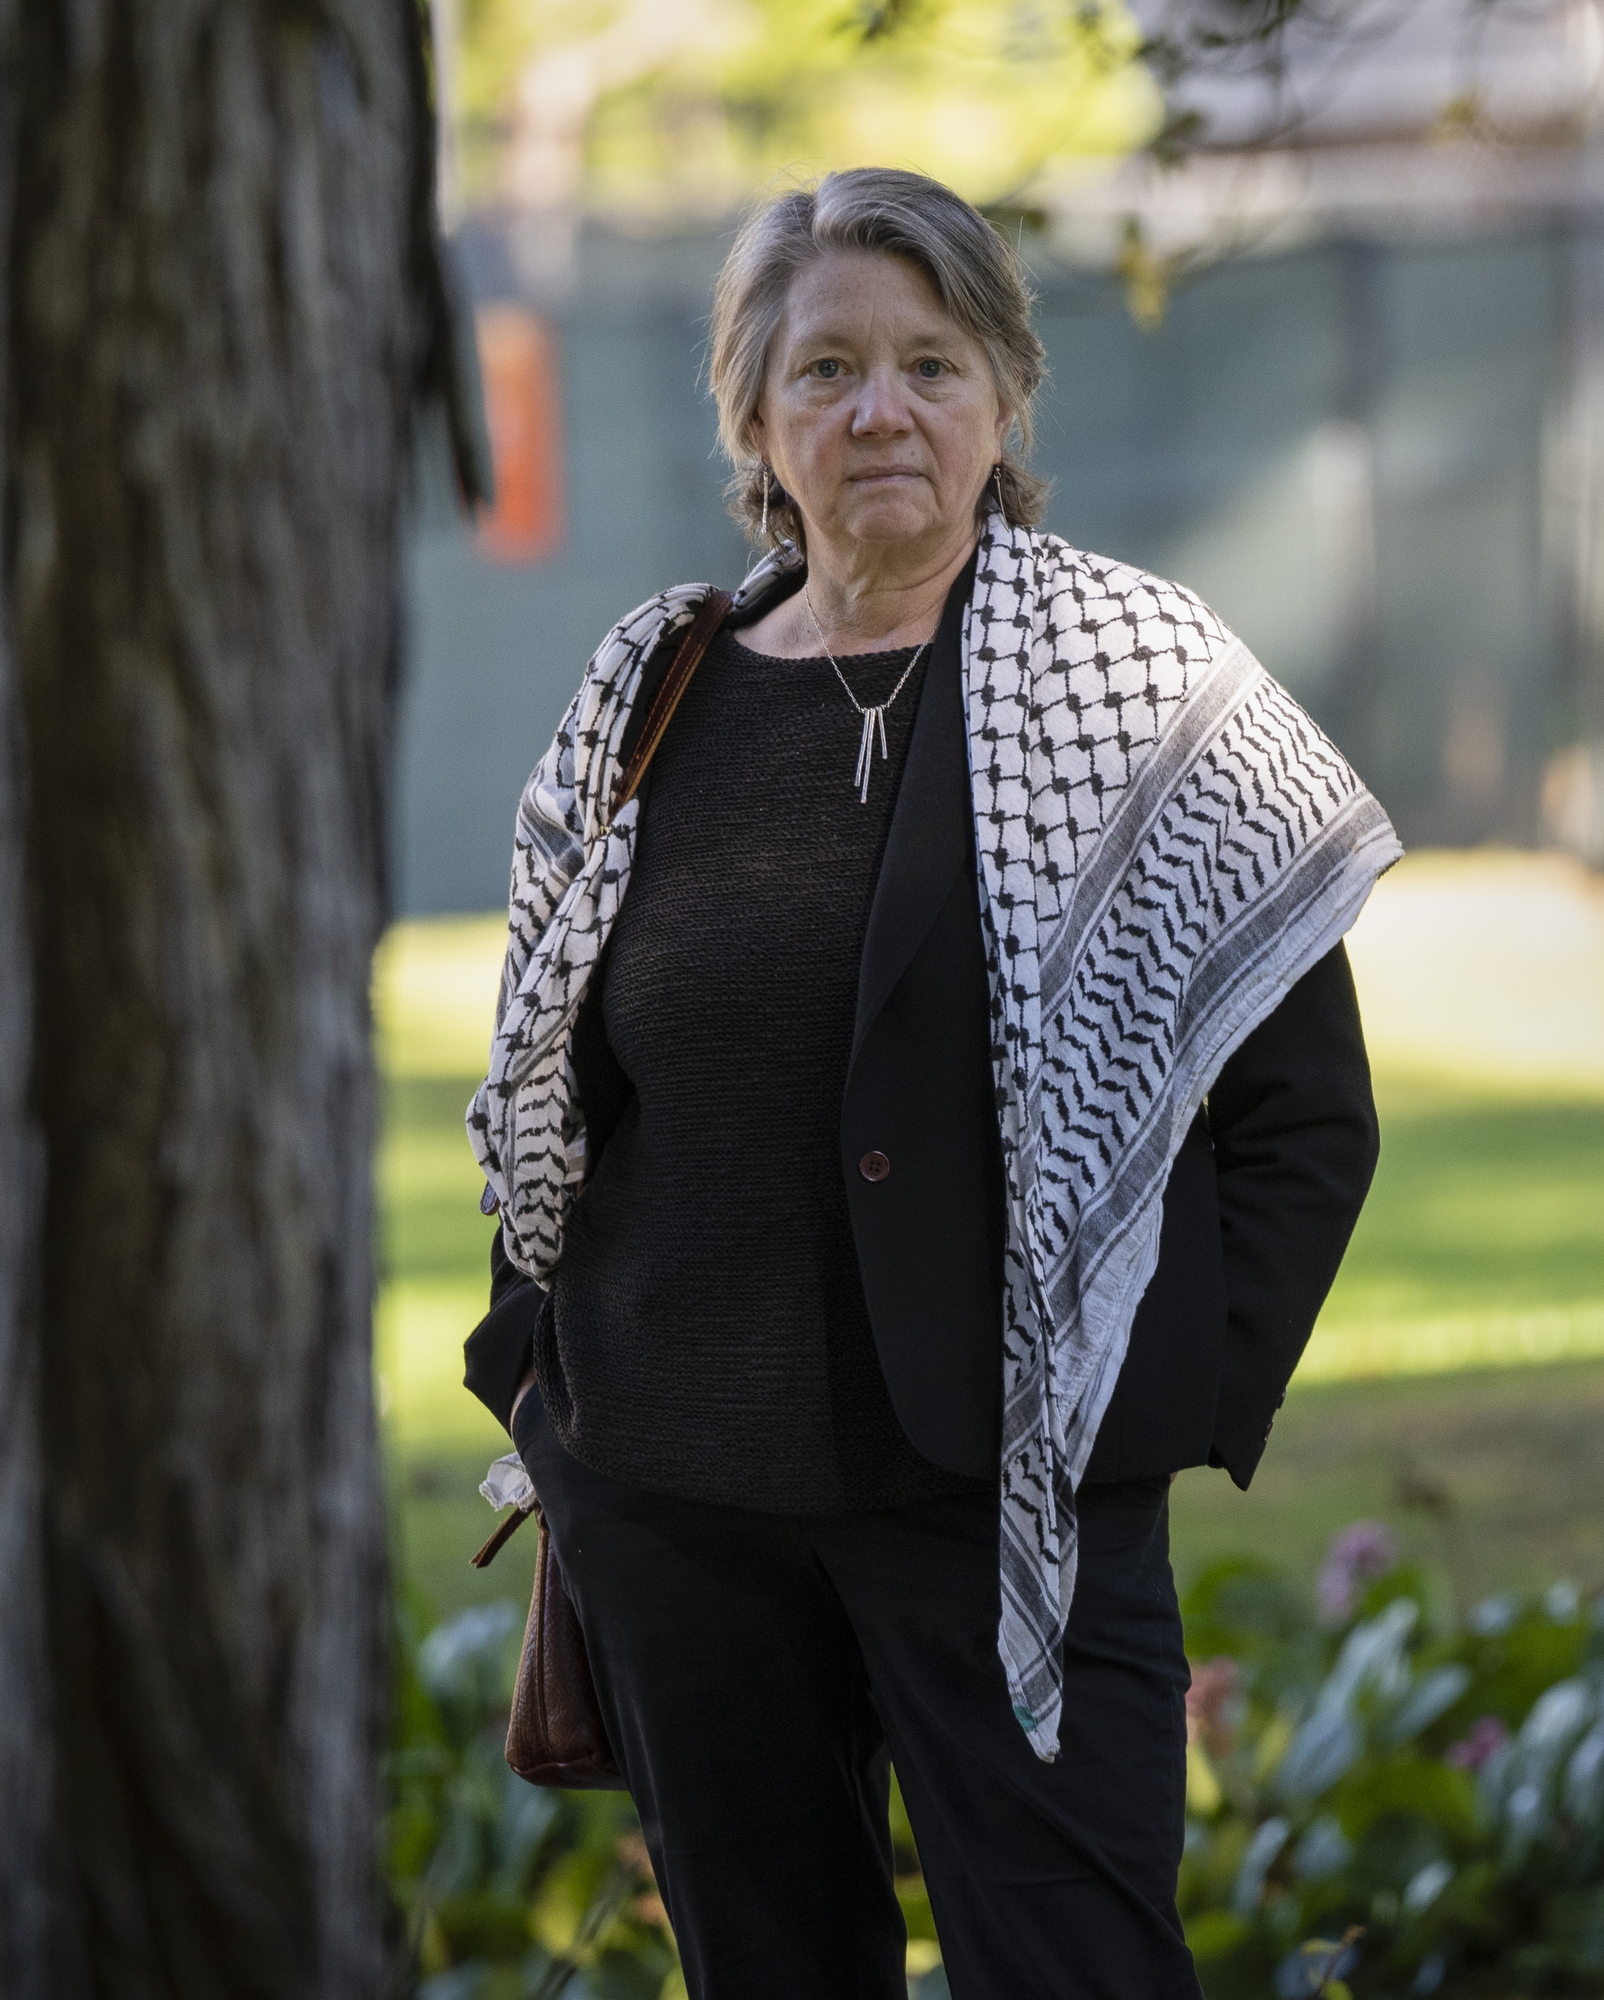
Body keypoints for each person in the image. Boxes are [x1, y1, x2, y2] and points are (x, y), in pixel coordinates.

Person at [464, 166, 1400, 1999]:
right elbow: (542, 1083)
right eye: (824, 371)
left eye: (928, 362)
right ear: (753, 417)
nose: (879, 409)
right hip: (675, 1505)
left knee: (1082, 1969)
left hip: (1010, 1507)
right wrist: (546, 1384)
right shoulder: (654, 691)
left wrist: (1143, 1408)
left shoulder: (1138, 692)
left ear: (1001, 396)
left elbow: (1306, 1113)